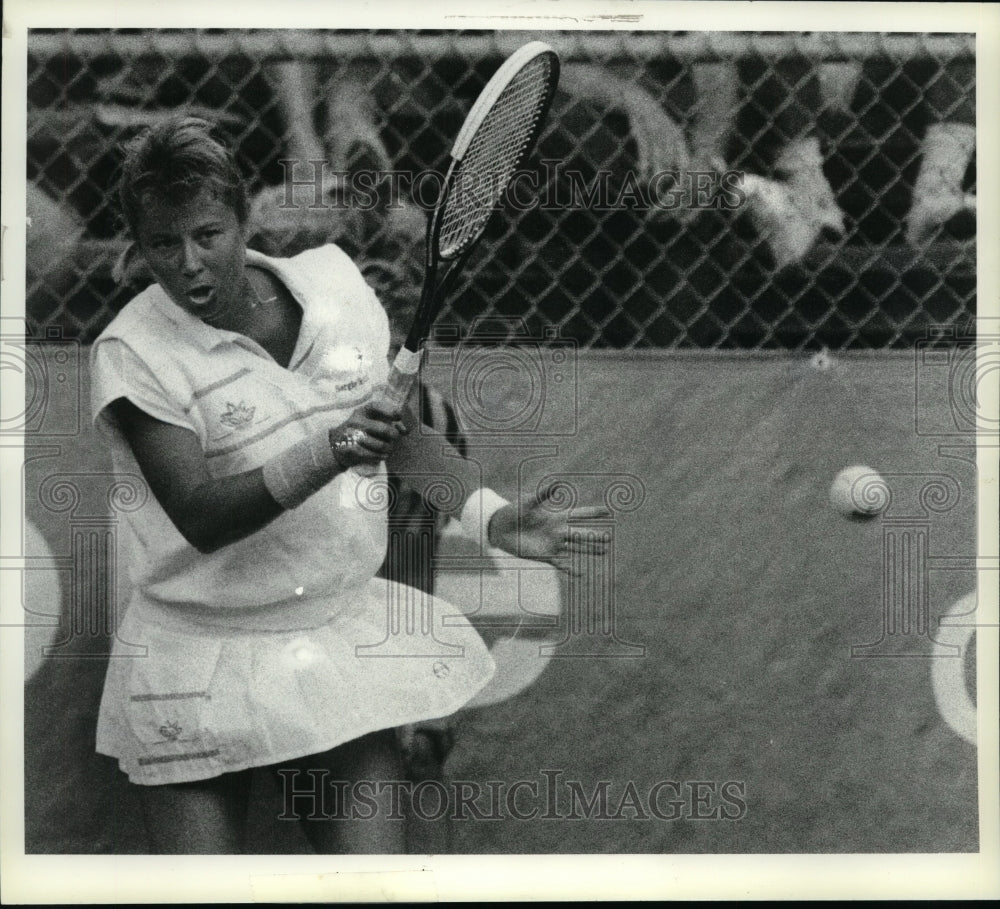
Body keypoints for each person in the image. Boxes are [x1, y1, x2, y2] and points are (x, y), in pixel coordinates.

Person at [90, 116, 607, 854]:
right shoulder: (132, 353)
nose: (189, 265)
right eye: (162, 245)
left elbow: (398, 432)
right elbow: (201, 515)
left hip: (330, 631)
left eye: (207, 234)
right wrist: (329, 449)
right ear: (137, 247)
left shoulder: (336, 290)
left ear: (243, 219)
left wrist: (489, 516)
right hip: (194, 653)